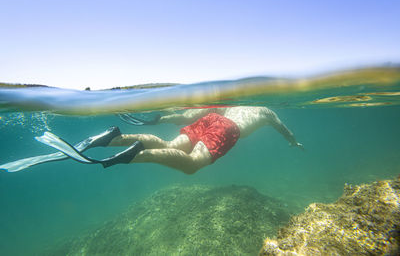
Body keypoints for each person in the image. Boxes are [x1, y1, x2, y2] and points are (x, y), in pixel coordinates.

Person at [1, 106, 303, 174]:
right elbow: (282, 127)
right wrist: (292, 142)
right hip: (228, 129)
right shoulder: (264, 110)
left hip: (211, 118)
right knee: (193, 165)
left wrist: (159, 119)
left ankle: (111, 138)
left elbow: (192, 113)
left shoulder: (229, 104)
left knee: (170, 146)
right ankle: (129, 156)